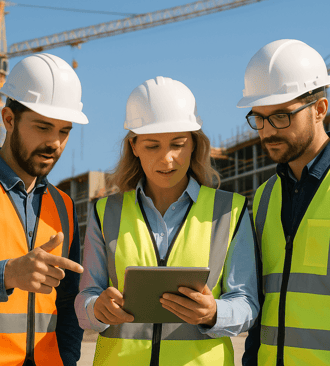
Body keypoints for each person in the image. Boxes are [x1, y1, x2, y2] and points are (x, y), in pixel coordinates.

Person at [75, 76, 259, 365]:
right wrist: (96, 309)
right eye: (152, 146)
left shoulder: (230, 211)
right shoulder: (104, 212)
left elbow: (246, 303)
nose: (167, 159)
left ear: (194, 145)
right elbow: (86, 295)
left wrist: (214, 314)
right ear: (133, 146)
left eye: (178, 144)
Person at [237, 39, 330, 366]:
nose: (266, 132)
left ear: (319, 109)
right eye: (258, 118)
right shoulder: (263, 198)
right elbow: (261, 309)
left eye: (281, 117)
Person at [0, 53, 88, 366]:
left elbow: (69, 302)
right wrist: (7, 275)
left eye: (64, 131)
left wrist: (66, 360)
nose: (54, 142)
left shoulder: (63, 205)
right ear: (9, 119)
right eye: (43, 127)